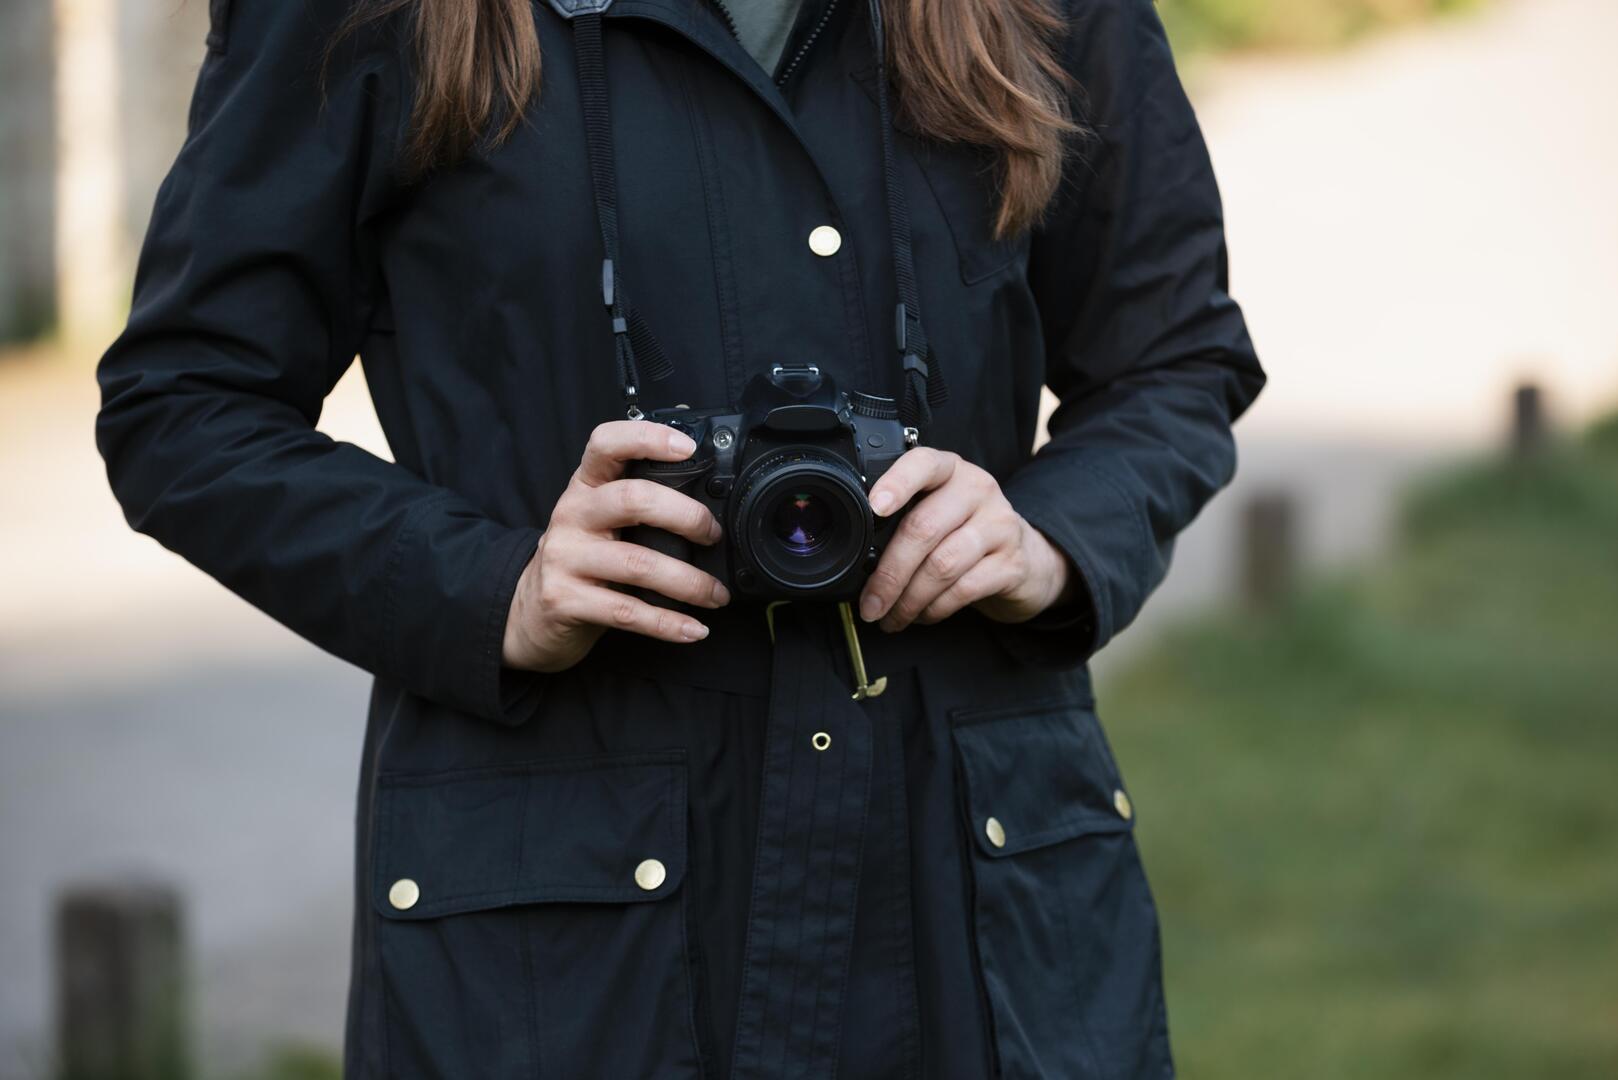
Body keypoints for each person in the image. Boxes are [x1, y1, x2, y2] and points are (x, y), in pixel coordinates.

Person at [95, 0, 1263, 1073]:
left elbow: (1172, 357)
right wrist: (491, 589)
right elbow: (185, 406)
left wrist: (1045, 539)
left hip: (973, 901)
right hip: (558, 939)